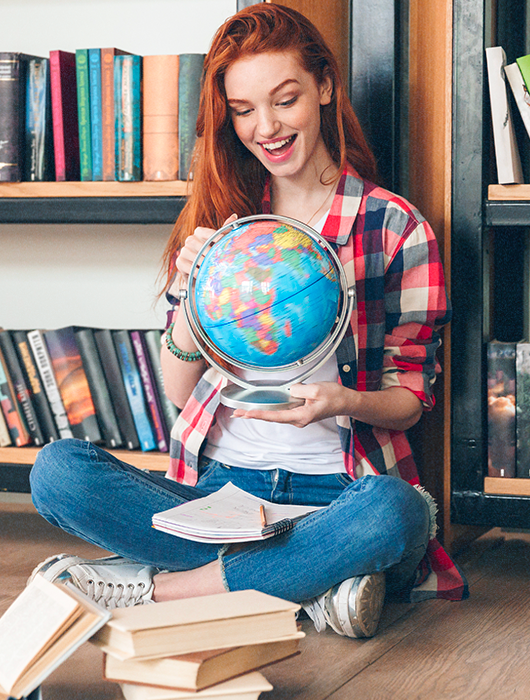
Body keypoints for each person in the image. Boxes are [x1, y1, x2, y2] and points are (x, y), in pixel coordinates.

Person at [28, 3, 467, 639]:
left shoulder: (395, 228)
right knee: (57, 472)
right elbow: (179, 395)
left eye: (284, 99)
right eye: (242, 110)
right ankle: (312, 588)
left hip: (338, 494)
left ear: (322, 86)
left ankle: (160, 592)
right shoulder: (226, 222)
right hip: (223, 493)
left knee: (397, 514)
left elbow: (411, 400)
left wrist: (339, 400)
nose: (266, 127)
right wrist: (186, 295)